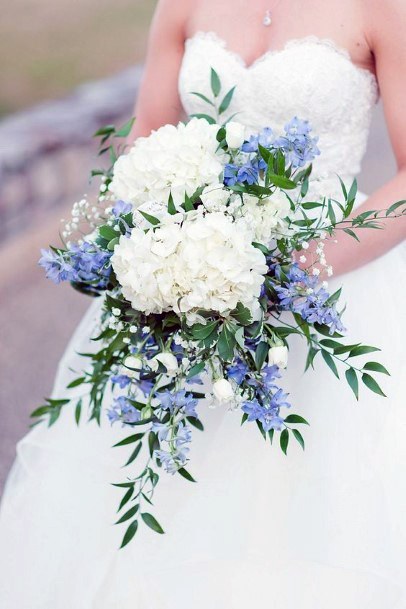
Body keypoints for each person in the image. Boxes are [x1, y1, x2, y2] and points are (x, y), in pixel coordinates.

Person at [0, 1, 405, 607]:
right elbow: (146, 141)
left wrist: (295, 272)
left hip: (334, 289)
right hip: (189, 292)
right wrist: (166, 256)